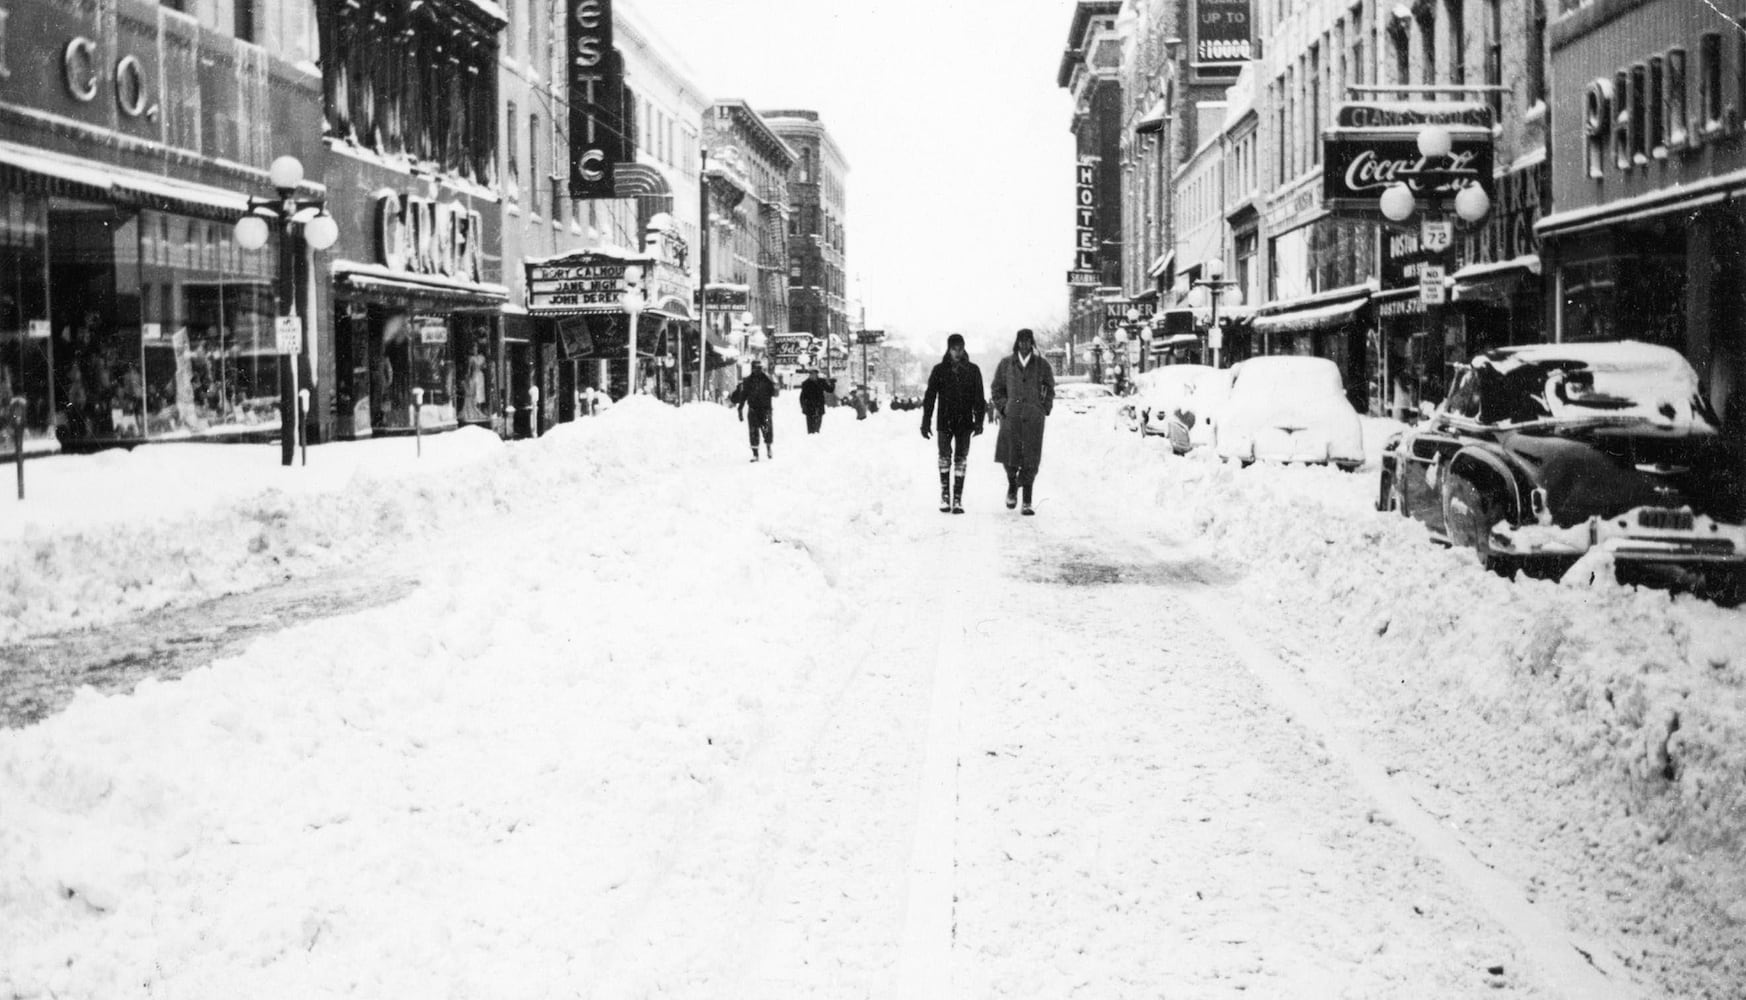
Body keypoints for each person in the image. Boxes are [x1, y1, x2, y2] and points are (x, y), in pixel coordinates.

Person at [921, 333, 988, 514]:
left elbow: (979, 397)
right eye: (954, 349)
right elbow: (930, 397)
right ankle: (945, 496)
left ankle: (957, 499)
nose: (957, 353)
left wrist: (979, 420)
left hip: (965, 422)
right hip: (944, 420)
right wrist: (925, 421)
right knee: (944, 457)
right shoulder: (939, 370)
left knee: (960, 459)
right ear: (948, 349)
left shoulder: (973, 370)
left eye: (960, 349)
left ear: (964, 348)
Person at [991, 328, 1055, 515]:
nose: (1025, 345)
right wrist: (1004, 407)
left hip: (1034, 418)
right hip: (1011, 417)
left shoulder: (1042, 365)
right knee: (1009, 458)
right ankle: (1012, 485)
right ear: (1017, 343)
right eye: (1022, 341)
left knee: (1031, 460)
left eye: (1028, 341)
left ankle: (1027, 500)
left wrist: (1044, 407)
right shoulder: (1006, 364)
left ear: (1032, 343)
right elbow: (996, 388)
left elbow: (1050, 388)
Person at [734, 358, 778, 461]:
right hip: (753, 409)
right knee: (753, 432)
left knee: (767, 430)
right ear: (752, 368)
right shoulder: (748, 381)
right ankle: (755, 454)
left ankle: (768, 448)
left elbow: (775, 393)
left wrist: (774, 382)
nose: (758, 370)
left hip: (766, 409)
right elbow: (743, 396)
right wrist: (740, 409)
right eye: (755, 368)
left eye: (759, 368)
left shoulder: (767, 379)